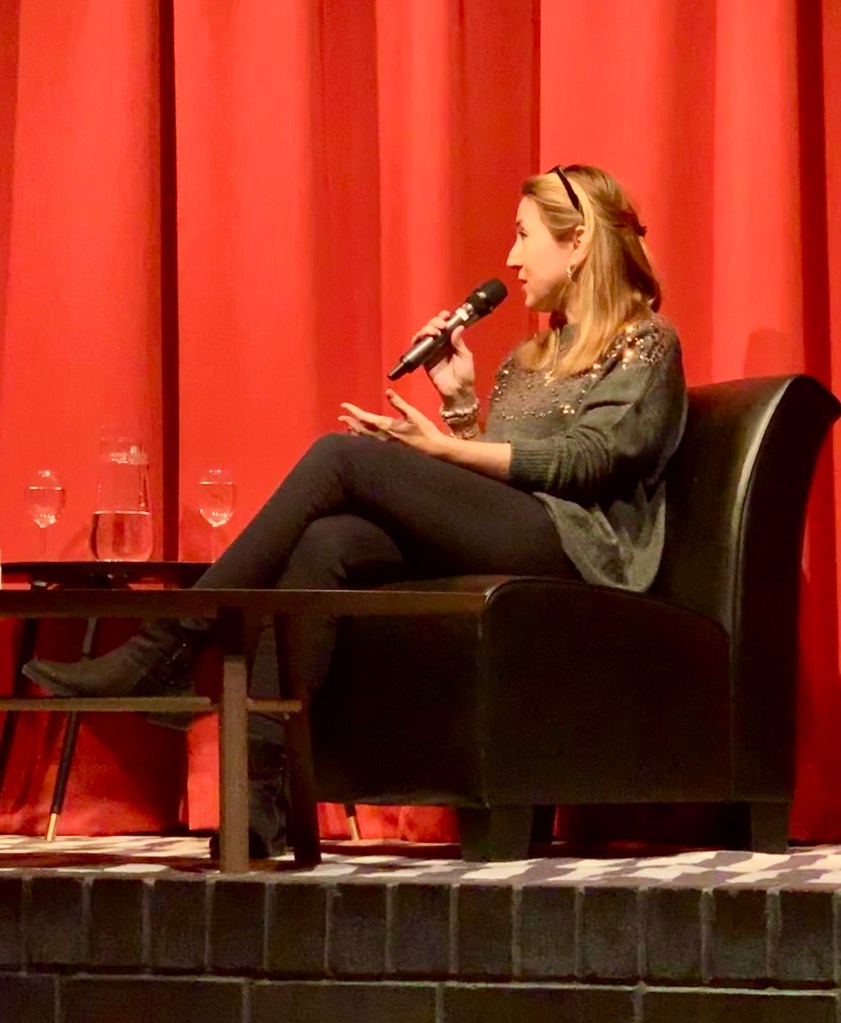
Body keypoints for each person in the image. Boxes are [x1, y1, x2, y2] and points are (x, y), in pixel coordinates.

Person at [24, 164, 688, 857]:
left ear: (577, 242)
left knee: (340, 459)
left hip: (585, 549)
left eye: (524, 236)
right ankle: (258, 802)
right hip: (526, 528)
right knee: (328, 543)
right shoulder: (529, 357)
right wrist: (459, 406)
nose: (511, 257)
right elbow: (505, 474)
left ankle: (170, 642)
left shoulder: (645, 342)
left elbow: (588, 460)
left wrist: (443, 450)